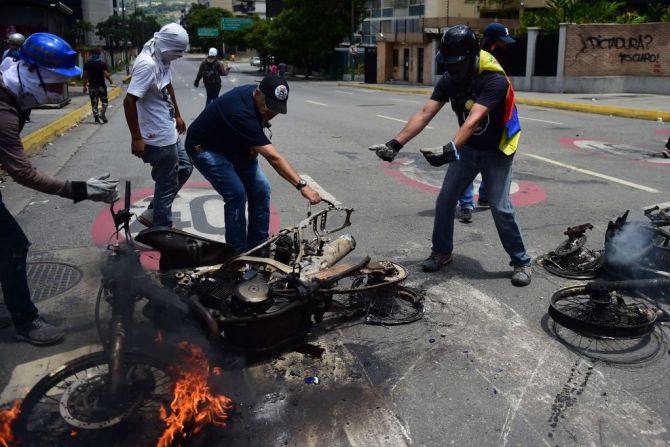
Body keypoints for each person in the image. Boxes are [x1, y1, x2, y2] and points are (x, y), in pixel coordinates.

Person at [368, 25, 532, 286]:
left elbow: (473, 120)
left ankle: (522, 261)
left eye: (456, 64)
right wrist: (395, 143)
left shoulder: (494, 80)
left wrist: (451, 148)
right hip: (468, 149)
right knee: (446, 199)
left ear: (471, 57)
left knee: (500, 207)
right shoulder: (449, 79)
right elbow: (425, 113)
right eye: (448, 63)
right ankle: (442, 252)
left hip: (498, 149)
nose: (451, 70)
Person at [0, 33, 120, 344]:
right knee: (13, 244)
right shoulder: (3, 111)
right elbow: (23, 173)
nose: (54, 94)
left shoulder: (12, 78)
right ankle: (26, 322)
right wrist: (81, 189)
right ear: (31, 72)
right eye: (52, 87)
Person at [185, 75, 321, 252]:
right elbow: (273, 158)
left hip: (233, 145)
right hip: (205, 148)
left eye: (276, 109)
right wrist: (302, 185)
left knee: (261, 189)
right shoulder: (240, 111)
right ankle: (237, 255)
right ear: (257, 93)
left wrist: (250, 143)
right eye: (269, 107)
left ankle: (259, 247)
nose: (271, 113)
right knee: (236, 193)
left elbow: (260, 119)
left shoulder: (258, 95)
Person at [123, 23, 193, 228]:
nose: (179, 56)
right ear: (167, 47)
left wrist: (178, 115)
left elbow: (167, 84)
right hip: (157, 137)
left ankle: (154, 211)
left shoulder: (160, 52)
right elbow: (129, 101)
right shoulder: (147, 64)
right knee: (166, 183)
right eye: (177, 52)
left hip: (168, 127)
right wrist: (136, 138)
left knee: (186, 166)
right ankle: (162, 229)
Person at [456, 23, 516, 223]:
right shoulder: (477, 58)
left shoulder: (498, 57)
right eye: (501, 41)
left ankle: (484, 196)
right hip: (475, 111)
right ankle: (465, 204)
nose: (504, 45)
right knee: (468, 155)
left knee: (491, 152)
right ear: (492, 41)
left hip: (495, 114)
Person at [82, 49, 114, 124]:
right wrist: (111, 81)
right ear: (99, 54)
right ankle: (102, 113)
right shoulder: (102, 63)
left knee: (94, 103)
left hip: (92, 87)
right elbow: (106, 74)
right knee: (105, 102)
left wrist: (84, 86)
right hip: (101, 86)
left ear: (91, 54)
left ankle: (96, 118)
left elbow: (85, 76)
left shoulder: (87, 64)